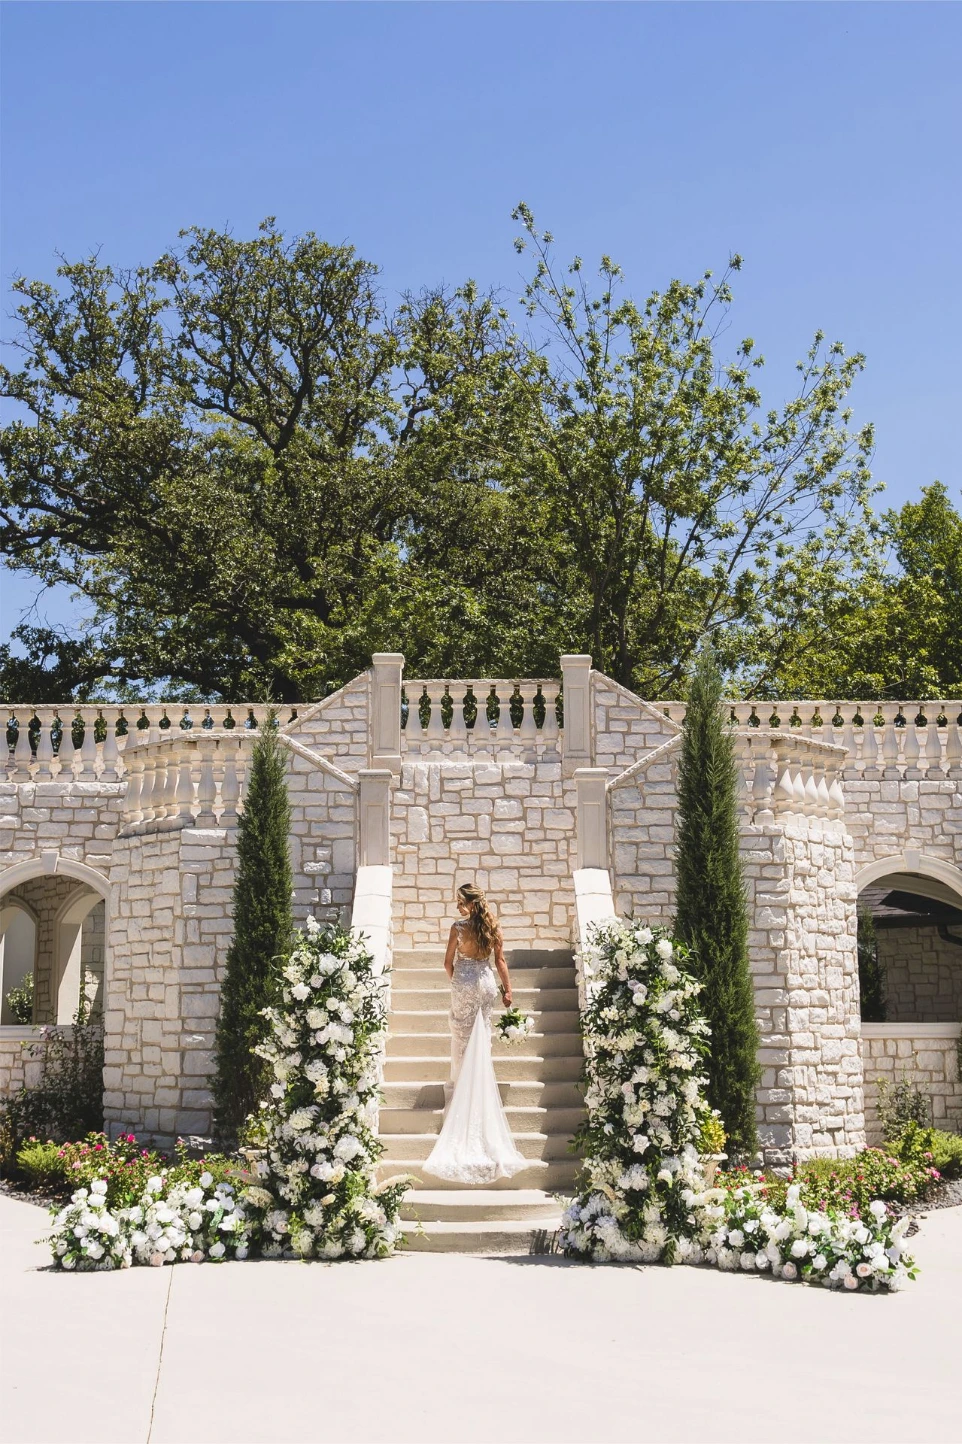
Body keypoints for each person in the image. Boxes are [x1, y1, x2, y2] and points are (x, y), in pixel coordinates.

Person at [422, 883, 528, 1184]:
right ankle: (480, 1088)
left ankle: (460, 1090)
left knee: (461, 1037)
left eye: (460, 902)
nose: (458, 907)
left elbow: (447, 963)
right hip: (486, 983)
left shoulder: (458, 928)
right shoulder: (493, 926)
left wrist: (458, 982)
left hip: (465, 982)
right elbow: (500, 961)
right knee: (482, 1038)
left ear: (469, 903)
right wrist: (508, 991)